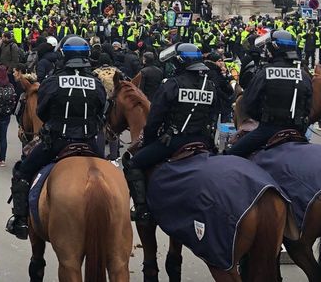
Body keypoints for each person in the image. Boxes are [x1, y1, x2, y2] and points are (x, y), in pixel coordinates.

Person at [6, 37, 106, 239]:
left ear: (64, 56)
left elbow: (42, 112)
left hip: (57, 142)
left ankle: (20, 220)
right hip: (89, 143)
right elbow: (102, 111)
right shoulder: (96, 83)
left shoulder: (53, 81)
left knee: (22, 172)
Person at [123, 43, 219, 225]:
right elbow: (214, 115)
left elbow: (154, 119)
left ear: (179, 62)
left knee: (133, 163)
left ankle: (142, 209)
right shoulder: (210, 86)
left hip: (174, 141)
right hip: (203, 141)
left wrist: (150, 141)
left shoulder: (172, 85)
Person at [226, 30, 312, 158]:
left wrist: (262, 118)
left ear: (274, 48)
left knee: (230, 154)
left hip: (269, 129)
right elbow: (309, 106)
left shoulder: (265, 72)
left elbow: (248, 103)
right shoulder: (303, 75)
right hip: (297, 130)